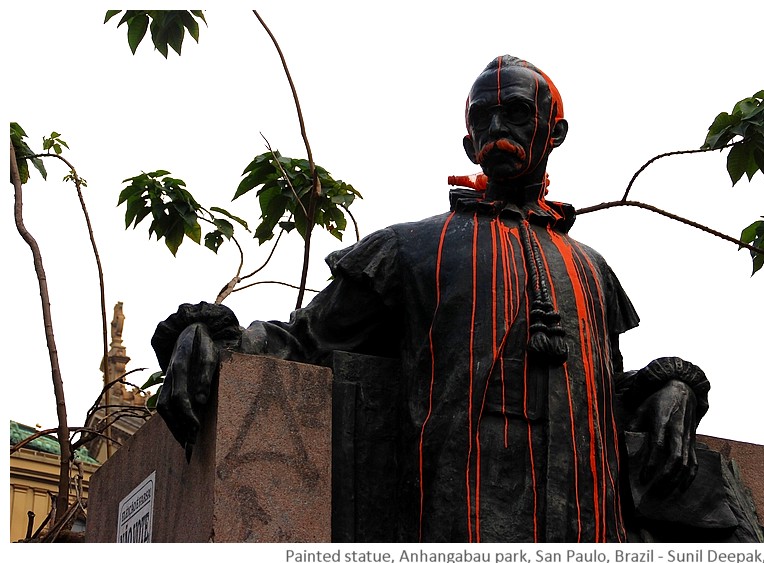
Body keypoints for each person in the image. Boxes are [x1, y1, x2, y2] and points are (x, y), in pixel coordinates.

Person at [152, 55, 710, 542]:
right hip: (458, 515)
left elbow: (607, 394)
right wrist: (206, 333)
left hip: (588, 524)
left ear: (555, 131)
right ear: (468, 141)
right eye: (482, 118)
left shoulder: (591, 269)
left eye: (515, 112)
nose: (497, 129)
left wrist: (674, 385)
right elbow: (302, 339)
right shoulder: (412, 247)